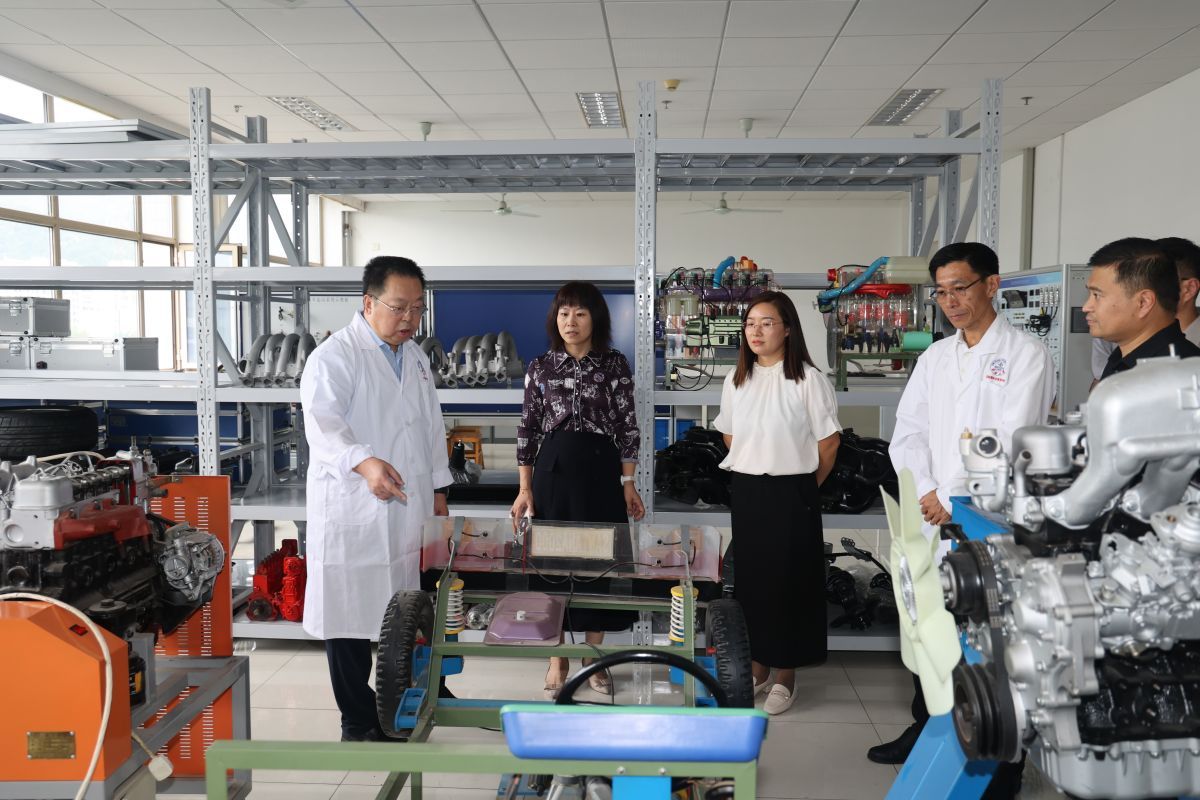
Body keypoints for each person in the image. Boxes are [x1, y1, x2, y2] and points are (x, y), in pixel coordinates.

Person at [868, 243, 1054, 797]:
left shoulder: (1025, 354)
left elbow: (1015, 441)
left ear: (991, 285)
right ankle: (927, 729)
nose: (950, 301)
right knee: (928, 626)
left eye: (960, 288)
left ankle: (1001, 760)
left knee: (989, 640)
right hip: (932, 514)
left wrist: (954, 501)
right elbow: (908, 433)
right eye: (941, 292)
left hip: (988, 520)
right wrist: (928, 491)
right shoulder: (935, 357)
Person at [300, 256, 453, 742]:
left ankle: (410, 696)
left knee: (408, 608)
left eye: (417, 308)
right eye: (399, 307)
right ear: (368, 303)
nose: (410, 318)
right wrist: (364, 462)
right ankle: (357, 718)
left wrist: (440, 492)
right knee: (347, 616)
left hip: (411, 505)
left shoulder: (416, 359)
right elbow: (324, 426)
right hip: (355, 507)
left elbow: (431, 429)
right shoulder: (334, 358)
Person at [510, 281, 646, 700]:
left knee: (598, 562)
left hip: (601, 472)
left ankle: (592, 657)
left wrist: (628, 482)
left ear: (595, 319)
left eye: (580, 313)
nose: (571, 321)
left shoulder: (614, 364)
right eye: (564, 313)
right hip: (553, 470)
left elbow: (627, 425)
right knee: (551, 563)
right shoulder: (541, 366)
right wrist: (524, 488)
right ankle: (557, 659)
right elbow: (528, 428)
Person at [712, 291, 841, 716]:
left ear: (787, 329)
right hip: (749, 491)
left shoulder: (807, 380)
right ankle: (758, 666)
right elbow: (730, 435)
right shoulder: (736, 380)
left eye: (767, 323)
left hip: (793, 492)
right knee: (752, 582)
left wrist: (803, 486)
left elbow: (828, 444)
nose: (756, 331)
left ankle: (786, 674)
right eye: (750, 323)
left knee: (791, 584)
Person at [1087, 237, 1200, 382]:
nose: (1086, 307)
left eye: (1097, 295)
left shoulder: (1180, 375)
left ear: (1143, 303)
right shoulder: (1120, 357)